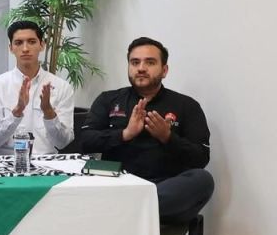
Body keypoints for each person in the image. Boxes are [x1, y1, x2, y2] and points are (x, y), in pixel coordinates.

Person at [80, 37, 213, 224]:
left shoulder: (187, 106)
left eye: (150, 62)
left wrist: (167, 137)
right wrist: (125, 134)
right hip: (117, 183)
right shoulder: (108, 100)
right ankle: (137, 212)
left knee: (203, 180)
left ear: (164, 70)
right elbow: (85, 141)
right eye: (135, 62)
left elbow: (200, 158)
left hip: (165, 188)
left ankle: (127, 212)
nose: (141, 68)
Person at [0, 20, 75, 154]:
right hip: (7, 161)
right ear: (11, 48)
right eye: (18, 43)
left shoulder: (62, 87)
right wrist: (17, 111)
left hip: (47, 162)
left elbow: (63, 142)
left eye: (31, 42)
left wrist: (49, 112)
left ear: (42, 45)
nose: (25, 49)